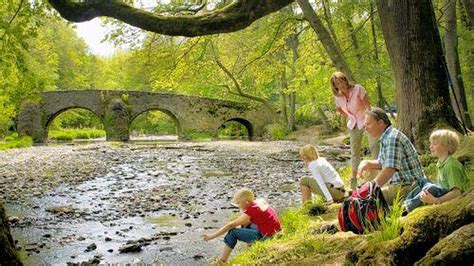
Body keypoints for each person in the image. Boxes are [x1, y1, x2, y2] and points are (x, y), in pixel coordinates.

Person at [357, 107, 425, 204]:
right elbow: (383, 163)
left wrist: (370, 188)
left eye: (368, 124)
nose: (365, 128)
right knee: (365, 198)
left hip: (410, 188)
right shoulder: (386, 137)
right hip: (401, 186)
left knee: (366, 201)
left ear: (380, 123)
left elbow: (389, 169)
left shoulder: (392, 138)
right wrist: (367, 163)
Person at [202, 188, 281, 264]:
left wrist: (211, 236)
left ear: (246, 201)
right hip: (276, 231)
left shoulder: (252, 210)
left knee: (233, 232)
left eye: (239, 203)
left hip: (268, 237)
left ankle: (222, 261)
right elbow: (246, 220)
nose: (238, 206)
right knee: (244, 224)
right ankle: (249, 249)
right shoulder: (260, 201)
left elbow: (230, 225)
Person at [330, 71, 378, 189]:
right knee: (354, 152)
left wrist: (368, 120)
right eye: (337, 83)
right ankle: (354, 179)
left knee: (374, 146)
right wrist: (349, 116)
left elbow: (368, 106)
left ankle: (378, 176)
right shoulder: (338, 97)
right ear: (335, 86)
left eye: (341, 80)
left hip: (367, 120)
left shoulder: (358, 89)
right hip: (353, 124)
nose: (340, 84)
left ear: (346, 80)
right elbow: (339, 109)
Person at [404, 129, 469, 213]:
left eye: (434, 144)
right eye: (431, 143)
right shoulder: (441, 163)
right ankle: (405, 204)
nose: (430, 147)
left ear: (447, 146)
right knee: (422, 181)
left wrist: (436, 200)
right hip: (444, 191)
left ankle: (406, 210)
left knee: (431, 188)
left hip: (454, 197)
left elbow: (456, 193)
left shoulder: (451, 165)